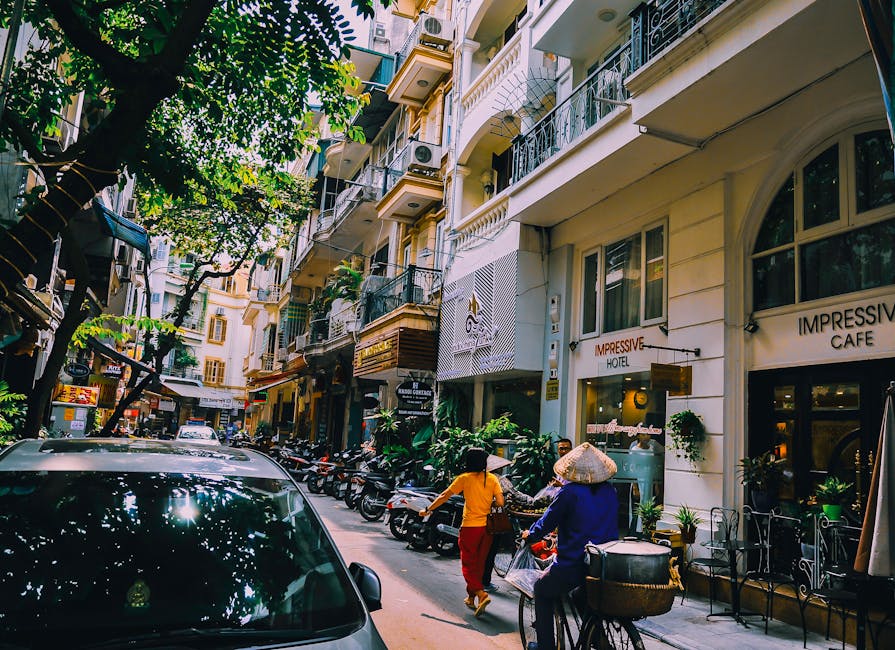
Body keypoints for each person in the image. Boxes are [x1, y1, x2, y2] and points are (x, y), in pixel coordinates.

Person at [521, 442, 619, 650]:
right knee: (580, 595)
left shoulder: (568, 492)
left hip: (574, 563)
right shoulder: (610, 491)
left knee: (541, 589)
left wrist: (531, 534)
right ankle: (596, 638)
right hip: (604, 563)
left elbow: (547, 521)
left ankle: (546, 646)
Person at [419, 447, 504, 617]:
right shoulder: (492, 478)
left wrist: (428, 509)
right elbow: (500, 502)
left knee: (467, 563)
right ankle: (471, 598)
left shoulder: (464, 478)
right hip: (488, 528)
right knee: (479, 563)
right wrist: (488, 503)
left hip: (470, 527)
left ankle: (480, 593)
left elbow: (444, 495)